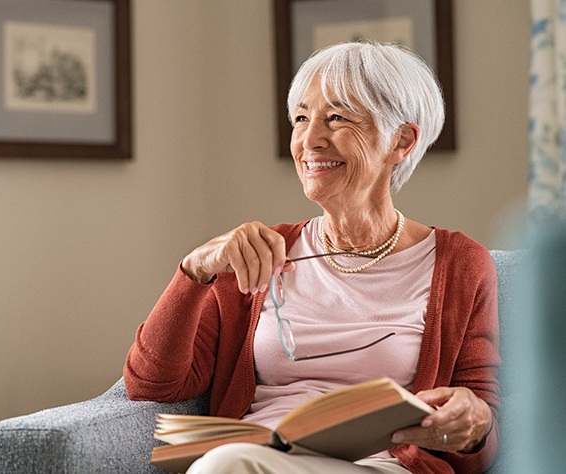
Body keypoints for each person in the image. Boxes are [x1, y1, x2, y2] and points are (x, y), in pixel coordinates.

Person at [124, 41, 500, 474]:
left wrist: (476, 422)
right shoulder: (258, 254)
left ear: (401, 140)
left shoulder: (459, 264)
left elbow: (481, 436)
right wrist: (195, 271)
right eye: (301, 118)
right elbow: (151, 385)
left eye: (336, 118)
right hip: (259, 456)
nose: (309, 140)